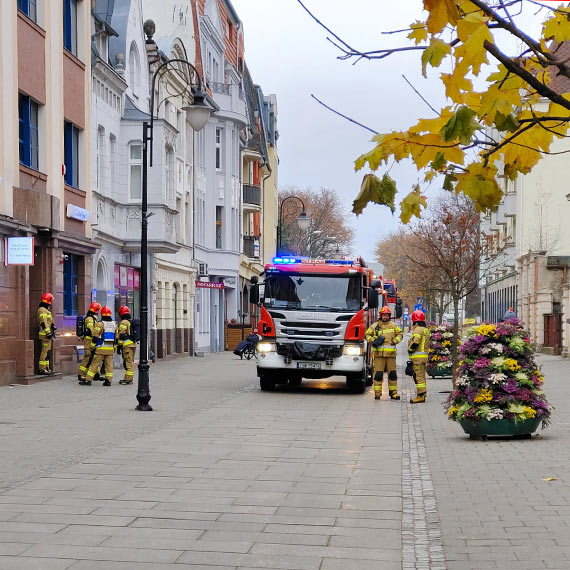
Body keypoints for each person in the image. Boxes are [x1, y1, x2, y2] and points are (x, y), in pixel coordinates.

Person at [365, 306, 403, 400]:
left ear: (389, 316)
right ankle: (377, 394)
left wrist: (395, 341)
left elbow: (400, 334)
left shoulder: (394, 325)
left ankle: (393, 393)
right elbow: (367, 334)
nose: (385, 317)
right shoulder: (375, 326)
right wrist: (374, 340)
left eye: (387, 315)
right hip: (379, 356)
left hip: (391, 356)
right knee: (378, 375)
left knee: (392, 375)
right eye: (384, 315)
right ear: (381, 315)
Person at [84, 306, 115, 386]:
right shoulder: (114, 324)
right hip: (110, 349)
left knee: (94, 364)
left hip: (100, 348)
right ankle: (108, 381)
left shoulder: (100, 324)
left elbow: (95, 337)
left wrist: (92, 347)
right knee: (109, 365)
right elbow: (117, 338)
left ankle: (88, 380)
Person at [408, 309, 431, 404]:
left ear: (415, 321)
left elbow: (416, 341)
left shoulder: (417, 329)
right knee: (422, 376)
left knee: (418, 377)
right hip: (424, 357)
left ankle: (420, 396)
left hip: (417, 358)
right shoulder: (426, 330)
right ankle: (423, 393)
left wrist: (410, 349)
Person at [78, 302, 102, 384]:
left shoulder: (92, 318)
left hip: (91, 340)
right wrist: (96, 336)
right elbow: (90, 329)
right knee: (88, 357)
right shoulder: (90, 319)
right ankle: (81, 374)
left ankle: (96, 374)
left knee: (94, 357)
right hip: (89, 340)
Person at [116, 305, 136, 385]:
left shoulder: (124, 322)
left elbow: (121, 335)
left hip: (127, 346)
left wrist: (119, 346)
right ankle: (129, 379)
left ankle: (128, 379)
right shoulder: (130, 321)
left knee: (128, 362)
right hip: (132, 344)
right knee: (129, 362)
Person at [37, 292, 56, 375]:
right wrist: (48, 332)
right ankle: (42, 369)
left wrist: (53, 327)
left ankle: (47, 368)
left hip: (47, 335)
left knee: (47, 352)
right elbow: (43, 323)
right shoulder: (42, 310)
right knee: (44, 351)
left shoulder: (46, 310)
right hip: (45, 335)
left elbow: (49, 322)